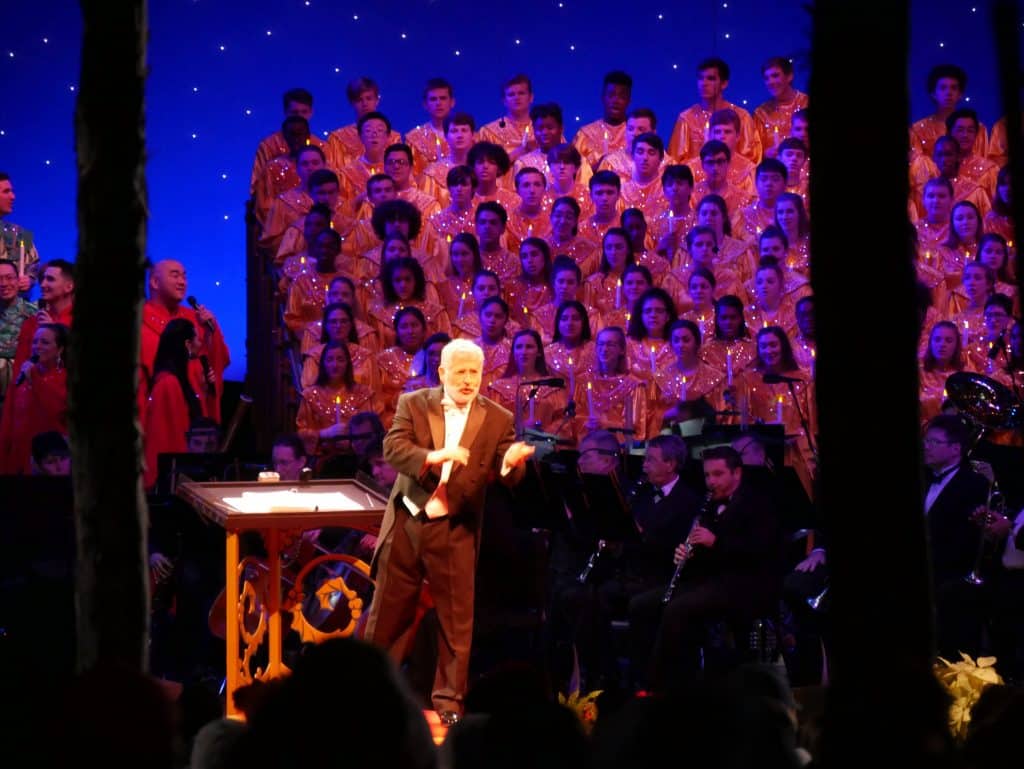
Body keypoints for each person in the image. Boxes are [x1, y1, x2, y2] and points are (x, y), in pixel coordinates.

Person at [364, 338, 535, 725]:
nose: (468, 380)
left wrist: (509, 463)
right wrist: (431, 457)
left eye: (475, 372)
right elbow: (393, 448)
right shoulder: (414, 403)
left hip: (456, 527)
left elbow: (510, 473)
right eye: (460, 372)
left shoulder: (498, 418)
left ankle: (449, 705)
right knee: (388, 616)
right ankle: (372, 695)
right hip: (409, 521)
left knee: (456, 622)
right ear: (442, 373)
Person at [628, 445, 782, 694]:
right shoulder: (709, 503)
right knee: (641, 604)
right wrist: (688, 554)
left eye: (718, 474)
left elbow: (760, 550)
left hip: (746, 584)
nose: (711, 481)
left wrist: (715, 542)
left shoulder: (758, 503)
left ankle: (658, 687)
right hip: (712, 580)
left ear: (737, 474)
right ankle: (643, 676)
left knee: (678, 608)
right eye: (708, 475)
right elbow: (706, 555)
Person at [921, 414, 993, 659]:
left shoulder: (974, 485)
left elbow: (964, 544)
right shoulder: (922, 479)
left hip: (947, 575)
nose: (925, 447)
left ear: (955, 449)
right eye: (925, 441)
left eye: (933, 442)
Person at [140, 259, 230, 421]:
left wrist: (211, 332)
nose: (182, 282)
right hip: (157, 414)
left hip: (195, 411)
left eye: (184, 277)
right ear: (154, 282)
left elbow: (216, 363)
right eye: (175, 276)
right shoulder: (140, 321)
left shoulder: (195, 319)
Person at [142, 319, 205, 490]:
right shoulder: (169, 384)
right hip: (173, 482)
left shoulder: (172, 380)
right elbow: (171, 436)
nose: (201, 344)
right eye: (197, 339)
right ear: (187, 344)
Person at [0, 322, 69, 474]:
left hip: (49, 459)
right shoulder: (22, 376)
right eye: (34, 342)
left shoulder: (66, 379)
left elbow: (56, 412)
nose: (37, 346)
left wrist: (35, 379)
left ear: (60, 349)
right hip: (18, 456)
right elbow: (8, 422)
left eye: (44, 342)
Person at [667, 58, 760, 165]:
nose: (704, 83)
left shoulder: (741, 117)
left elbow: (752, 160)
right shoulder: (686, 118)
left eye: (710, 79)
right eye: (700, 78)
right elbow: (675, 161)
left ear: (724, 84)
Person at [295, 341, 379, 459]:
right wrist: (324, 434)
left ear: (347, 364)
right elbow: (301, 433)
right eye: (329, 360)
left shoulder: (362, 393)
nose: (335, 365)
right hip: (320, 459)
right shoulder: (310, 395)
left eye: (340, 360)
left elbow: (368, 432)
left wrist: (350, 443)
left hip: (356, 459)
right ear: (322, 364)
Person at [487, 328, 570, 438]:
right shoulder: (499, 389)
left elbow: (564, 421)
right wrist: (519, 429)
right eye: (519, 347)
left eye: (529, 347)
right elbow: (493, 424)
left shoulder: (552, 387)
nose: (524, 351)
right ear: (513, 352)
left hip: (545, 448)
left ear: (539, 352)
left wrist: (540, 433)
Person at [250, 88, 324, 194]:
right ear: (286, 112)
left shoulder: (320, 145)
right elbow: (257, 185)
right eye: (294, 112)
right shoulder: (268, 145)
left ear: (311, 113)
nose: (299, 116)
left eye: (304, 112)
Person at [909, 64, 987, 160]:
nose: (949, 93)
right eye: (943, 88)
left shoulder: (977, 128)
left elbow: (984, 163)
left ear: (960, 94)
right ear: (933, 93)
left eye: (954, 88)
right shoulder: (918, 130)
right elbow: (917, 167)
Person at [324, 76, 402, 170]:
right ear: (352, 103)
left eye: (369, 98)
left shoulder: (393, 138)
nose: (364, 104)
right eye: (359, 100)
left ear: (377, 101)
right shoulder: (338, 139)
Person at [12, 259, 74, 374]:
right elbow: (19, 369)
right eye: (43, 279)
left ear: (69, 287)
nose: (43, 284)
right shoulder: (32, 323)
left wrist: (56, 332)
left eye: (50, 279)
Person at [573, 70, 633, 168]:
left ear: (629, 101)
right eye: (611, 95)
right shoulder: (585, 135)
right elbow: (573, 171)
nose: (616, 100)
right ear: (603, 97)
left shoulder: (635, 135)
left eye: (621, 96)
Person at [753, 57, 810, 159]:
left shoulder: (806, 103)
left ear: (789, 76)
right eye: (766, 78)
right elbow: (753, 153)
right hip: (776, 172)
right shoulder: (761, 113)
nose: (770, 81)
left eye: (775, 76)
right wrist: (765, 154)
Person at [419, 115, 476, 208]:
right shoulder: (432, 174)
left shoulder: (481, 170)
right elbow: (427, 209)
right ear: (445, 136)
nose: (459, 135)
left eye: (464, 130)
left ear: (473, 135)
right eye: (454, 131)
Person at [404, 78, 456, 177]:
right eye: (433, 99)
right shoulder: (414, 140)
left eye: (443, 98)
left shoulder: (465, 136)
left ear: (452, 102)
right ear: (425, 104)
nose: (438, 103)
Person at [479, 74, 537, 162]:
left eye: (521, 93)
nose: (517, 98)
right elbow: (481, 167)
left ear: (531, 97)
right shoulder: (488, 133)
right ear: (504, 100)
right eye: (511, 94)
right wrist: (511, 157)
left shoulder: (544, 130)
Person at [0, 259, 37, 399]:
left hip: (23, 391)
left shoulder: (33, 314)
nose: (3, 284)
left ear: (18, 280)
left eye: (9, 278)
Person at [0, 172, 41, 292]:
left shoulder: (21, 234)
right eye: (6, 192)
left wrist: (30, 279)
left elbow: (34, 265)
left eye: (11, 191)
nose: (13, 197)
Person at [920, 321, 964, 424]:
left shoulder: (963, 375)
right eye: (937, 339)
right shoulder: (920, 373)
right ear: (930, 343)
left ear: (956, 345)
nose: (942, 344)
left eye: (948, 340)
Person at [383, 144, 441, 222]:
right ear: (384, 167)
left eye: (401, 162)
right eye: (391, 162)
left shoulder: (429, 205)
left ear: (411, 167)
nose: (396, 166)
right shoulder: (373, 202)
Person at [474, 200, 520, 283]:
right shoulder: (469, 259)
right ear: (476, 227)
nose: (487, 227)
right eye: (483, 222)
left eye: (493, 223)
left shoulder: (513, 262)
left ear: (503, 228)